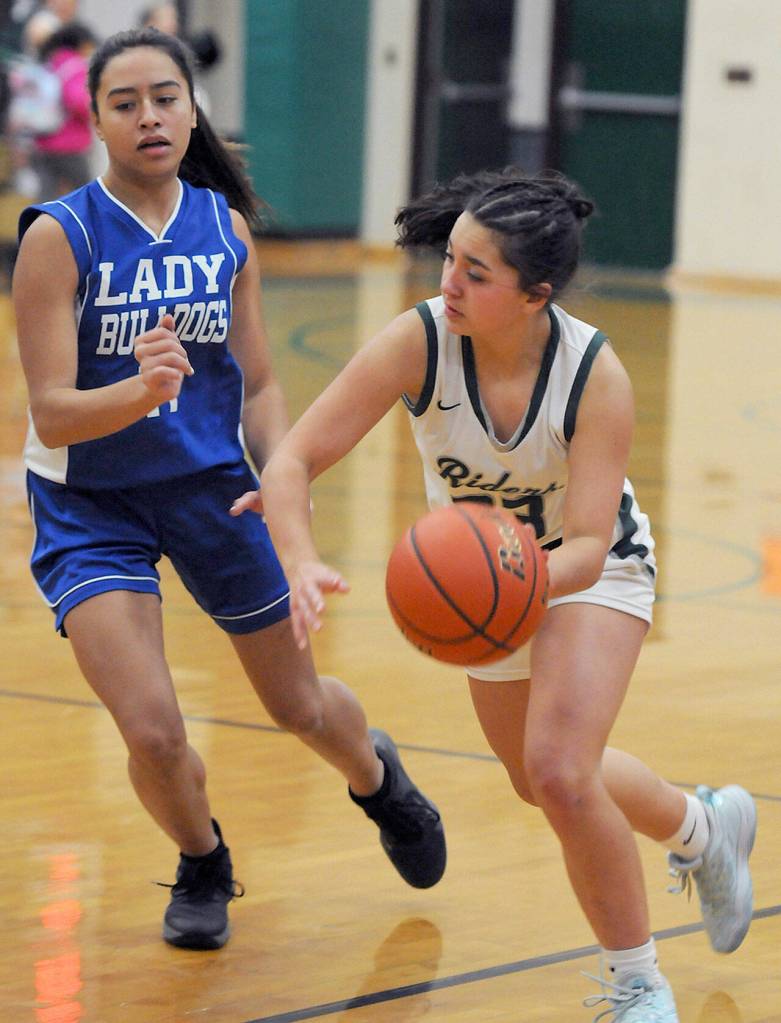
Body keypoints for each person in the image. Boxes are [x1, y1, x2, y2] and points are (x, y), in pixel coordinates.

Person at [251, 168, 757, 1021]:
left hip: (587, 571)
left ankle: (637, 982)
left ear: (535, 295)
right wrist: (298, 559)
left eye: (475, 272)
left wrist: (513, 581)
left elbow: (587, 543)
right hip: (487, 583)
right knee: (541, 777)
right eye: (450, 258)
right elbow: (292, 459)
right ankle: (701, 828)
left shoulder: (593, 374)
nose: (447, 281)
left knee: (560, 772)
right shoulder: (420, 341)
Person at [12, 27, 446, 953]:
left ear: (190, 108)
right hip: (90, 504)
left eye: (164, 98)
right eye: (125, 103)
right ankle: (202, 858)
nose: (148, 117)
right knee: (153, 731)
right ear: (96, 121)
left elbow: (257, 385)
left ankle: (378, 778)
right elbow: (50, 413)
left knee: (298, 707)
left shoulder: (225, 230)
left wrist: (284, 479)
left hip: (213, 486)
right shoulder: (58, 237)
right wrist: (140, 393)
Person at [31, 21, 97, 201]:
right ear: (81, 43)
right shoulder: (75, 66)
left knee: (47, 197)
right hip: (71, 144)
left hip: (43, 141)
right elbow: (78, 102)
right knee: (85, 196)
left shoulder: (49, 63)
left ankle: (40, 220)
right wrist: (96, 111)